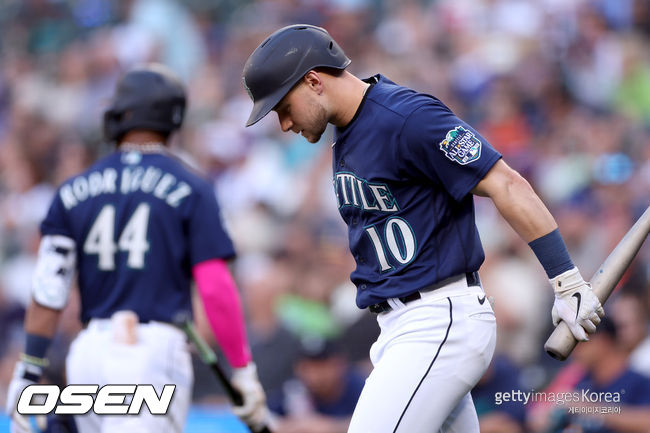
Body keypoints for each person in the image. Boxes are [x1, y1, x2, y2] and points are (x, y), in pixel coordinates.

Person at [242, 24, 605, 433]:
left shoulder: (406, 116)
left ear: (313, 81)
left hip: (438, 320)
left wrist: (567, 279)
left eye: (283, 107)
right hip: (403, 326)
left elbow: (506, 183)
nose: (284, 124)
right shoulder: (348, 130)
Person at [5, 64, 268, 432]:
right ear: (172, 119)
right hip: (151, 353)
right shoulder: (191, 186)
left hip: (88, 356)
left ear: (120, 114)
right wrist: (242, 369)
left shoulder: (72, 190)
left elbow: (49, 290)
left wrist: (29, 368)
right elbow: (214, 286)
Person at [268, 337, 366, 433]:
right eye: (308, 367)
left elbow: (374, 422)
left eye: (322, 365)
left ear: (339, 364)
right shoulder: (294, 390)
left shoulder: (359, 386)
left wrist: (329, 427)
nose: (315, 375)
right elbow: (265, 419)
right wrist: (294, 426)